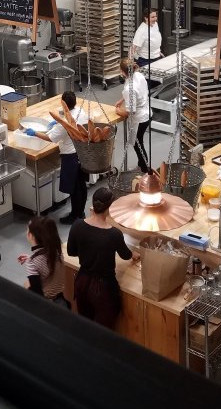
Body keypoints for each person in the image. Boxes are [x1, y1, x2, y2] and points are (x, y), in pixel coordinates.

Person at [66, 187, 139, 328]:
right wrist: (134, 255)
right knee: (103, 331)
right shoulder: (114, 234)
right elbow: (125, 255)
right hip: (104, 289)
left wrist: (88, 252)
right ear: (109, 208)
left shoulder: (77, 225)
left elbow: (71, 252)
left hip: (82, 282)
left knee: (85, 325)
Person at [25, 90, 88, 225]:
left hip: (71, 156)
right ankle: (80, 212)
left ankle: (75, 216)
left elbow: (50, 138)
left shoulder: (63, 124)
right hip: (83, 152)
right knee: (81, 185)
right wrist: (57, 121)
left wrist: (34, 133)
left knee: (74, 189)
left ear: (63, 103)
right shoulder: (81, 112)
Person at [18, 216, 67, 306]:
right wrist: (31, 257)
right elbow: (45, 263)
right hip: (61, 301)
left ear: (31, 235)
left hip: (46, 305)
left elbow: (36, 295)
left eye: (27, 230)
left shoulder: (32, 263)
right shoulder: (57, 251)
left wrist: (27, 286)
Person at [114, 58, 151, 173]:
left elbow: (130, 112)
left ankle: (145, 169)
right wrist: (122, 100)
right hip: (147, 112)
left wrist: (117, 111)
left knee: (137, 144)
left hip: (140, 119)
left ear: (122, 72)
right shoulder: (138, 75)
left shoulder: (129, 88)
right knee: (138, 141)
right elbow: (134, 94)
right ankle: (142, 165)